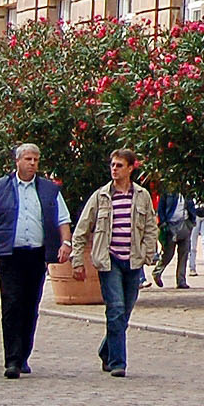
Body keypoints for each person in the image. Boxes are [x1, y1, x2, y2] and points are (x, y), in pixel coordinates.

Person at [0, 142, 68, 380]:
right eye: (28, 159)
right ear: (17, 161)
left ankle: (23, 355)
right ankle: (11, 359)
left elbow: (62, 219)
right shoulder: (1, 187)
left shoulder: (48, 189)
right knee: (12, 305)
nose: (32, 164)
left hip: (36, 255)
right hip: (9, 255)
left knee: (30, 307)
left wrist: (66, 243)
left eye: (35, 160)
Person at [72, 147, 160, 377]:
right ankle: (118, 362)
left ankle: (106, 350)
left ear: (130, 168)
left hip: (132, 260)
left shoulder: (141, 196)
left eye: (119, 165)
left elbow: (151, 226)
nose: (114, 169)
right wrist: (77, 260)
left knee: (125, 312)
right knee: (116, 309)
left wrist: (149, 252)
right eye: (112, 165)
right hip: (109, 260)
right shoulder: (101, 196)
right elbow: (82, 228)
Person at [153, 183, 195, 290]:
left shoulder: (188, 192)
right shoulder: (168, 191)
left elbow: (191, 207)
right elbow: (161, 208)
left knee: (184, 253)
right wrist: (162, 223)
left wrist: (191, 222)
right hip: (171, 225)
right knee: (168, 253)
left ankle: (181, 280)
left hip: (184, 224)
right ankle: (157, 271)